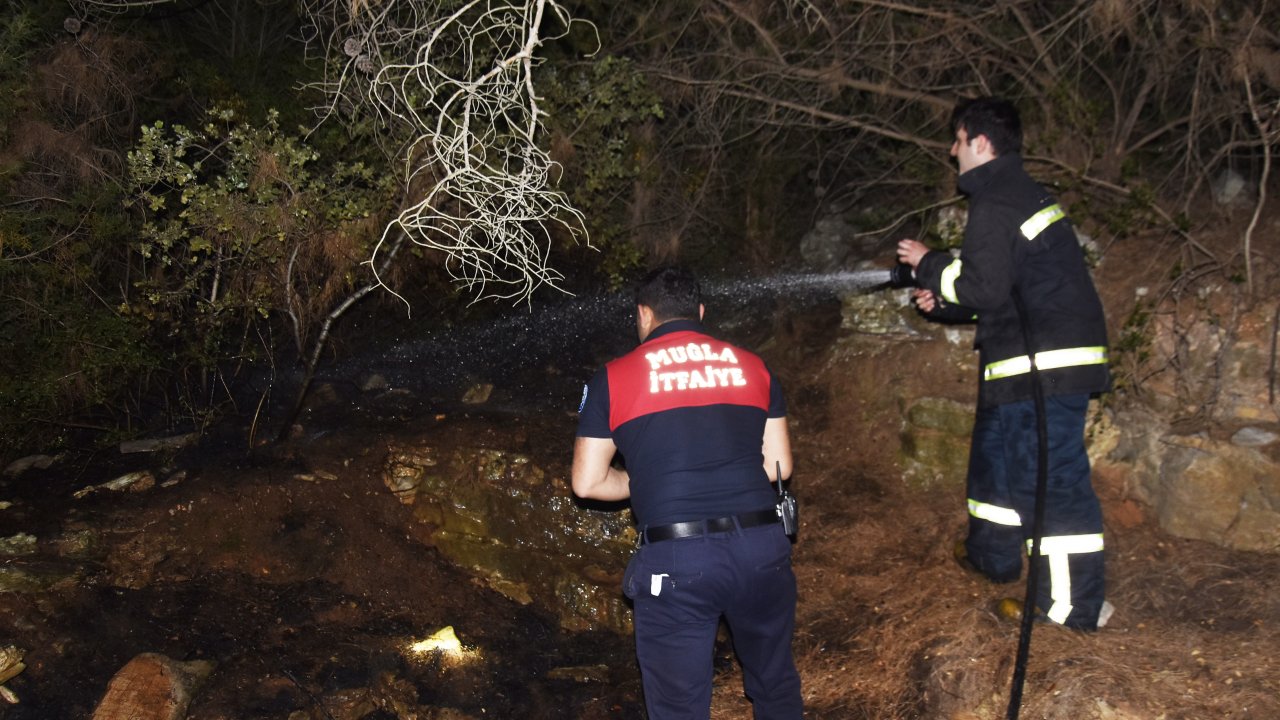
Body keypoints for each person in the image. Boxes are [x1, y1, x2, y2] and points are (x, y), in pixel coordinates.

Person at [895, 97, 1113, 631]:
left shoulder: (996, 202)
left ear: (981, 143)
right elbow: (1001, 291)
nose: (952, 151)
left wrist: (929, 264)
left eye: (958, 140)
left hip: (1042, 368)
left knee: (1050, 485)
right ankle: (991, 556)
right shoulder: (1015, 195)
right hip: (1022, 364)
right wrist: (944, 303)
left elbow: (984, 286)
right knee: (997, 467)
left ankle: (1069, 609)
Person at [572, 265, 803, 719]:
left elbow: (588, 482)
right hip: (762, 548)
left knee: (679, 707)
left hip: (678, 560)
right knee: (774, 681)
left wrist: (651, 480)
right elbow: (779, 466)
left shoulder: (615, 377)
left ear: (643, 315)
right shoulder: (753, 365)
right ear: (700, 312)